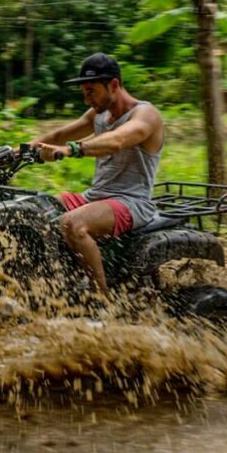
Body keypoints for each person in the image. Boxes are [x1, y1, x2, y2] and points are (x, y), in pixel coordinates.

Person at [27, 52, 164, 294]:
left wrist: (71, 150)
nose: (86, 98)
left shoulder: (145, 114)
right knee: (38, 208)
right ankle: (51, 282)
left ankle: (100, 298)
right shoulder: (99, 114)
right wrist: (20, 149)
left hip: (131, 202)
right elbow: (60, 135)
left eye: (91, 91)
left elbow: (118, 140)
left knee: (73, 223)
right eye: (83, 91)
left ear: (113, 85)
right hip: (96, 196)